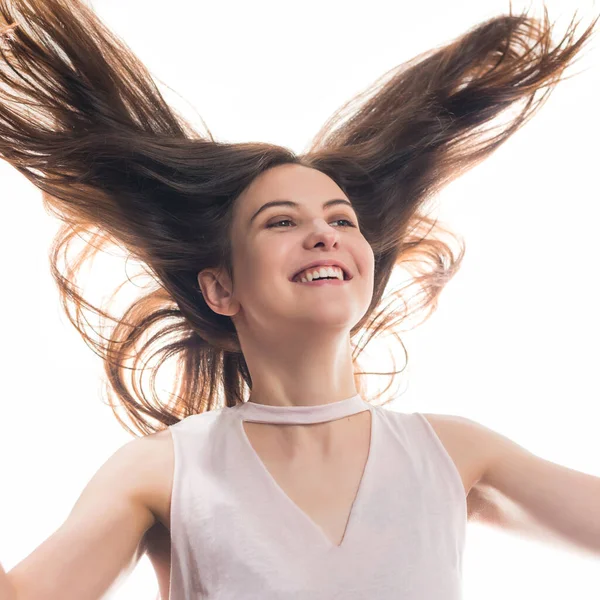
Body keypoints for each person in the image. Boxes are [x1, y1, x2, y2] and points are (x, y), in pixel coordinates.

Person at [0, 0, 598, 598]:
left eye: (342, 220)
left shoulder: (454, 454)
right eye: (280, 223)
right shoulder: (164, 471)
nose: (323, 234)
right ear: (221, 288)